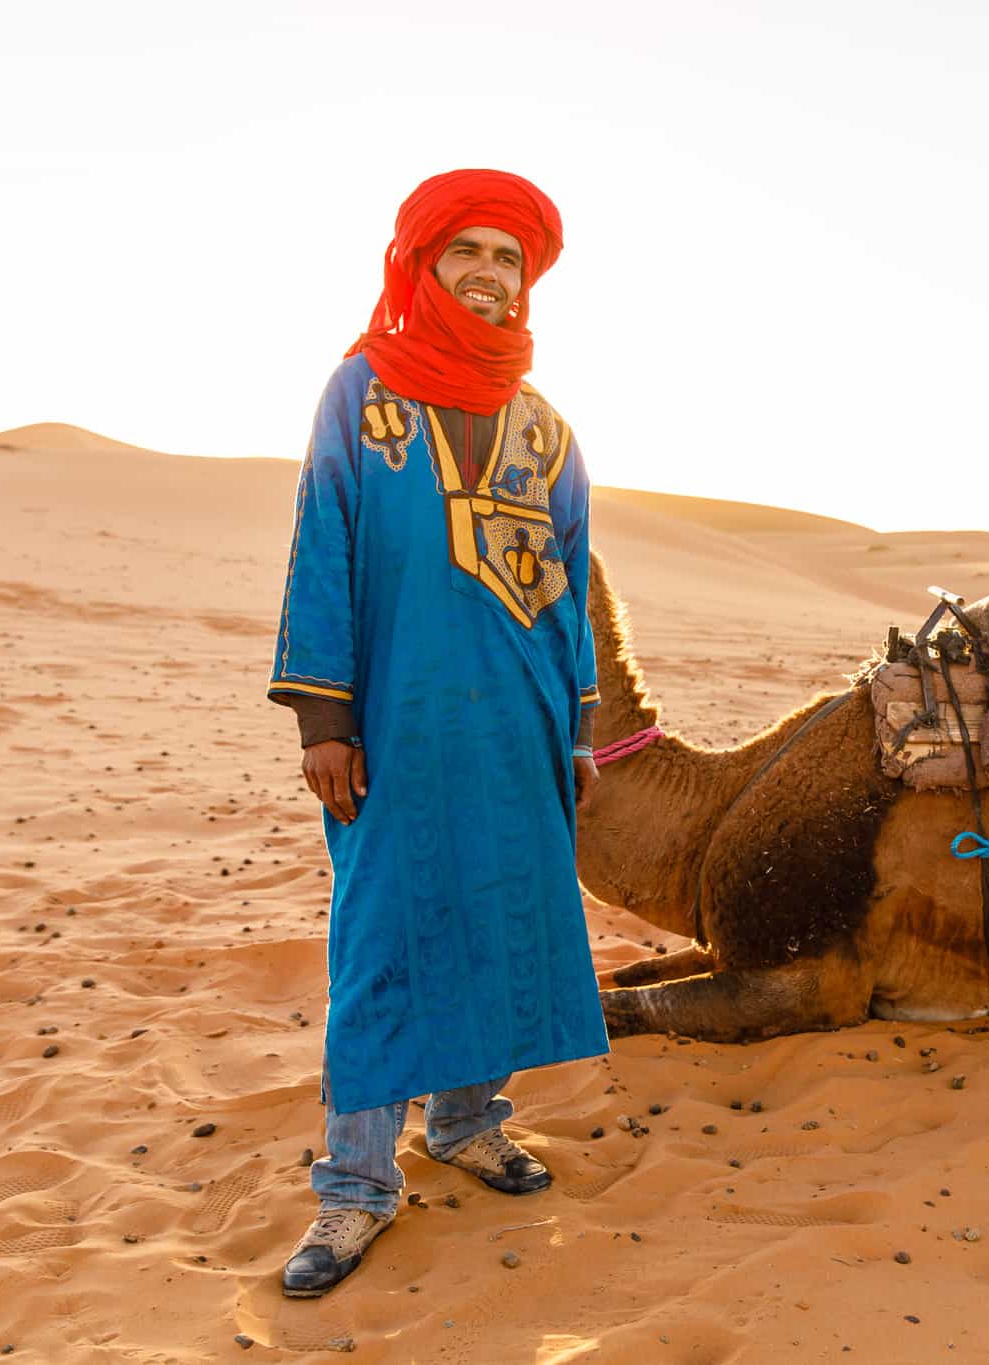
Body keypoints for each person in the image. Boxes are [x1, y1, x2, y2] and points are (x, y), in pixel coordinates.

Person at [266, 168, 608, 1298]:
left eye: (508, 256)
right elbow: (324, 542)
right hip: (396, 723)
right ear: (421, 263)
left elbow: (566, 588)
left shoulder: (545, 427)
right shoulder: (363, 393)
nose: (488, 272)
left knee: (501, 918)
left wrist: (575, 729)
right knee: (386, 943)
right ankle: (356, 1186)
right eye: (466, 249)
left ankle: (466, 1123)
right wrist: (325, 715)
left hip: (518, 724)